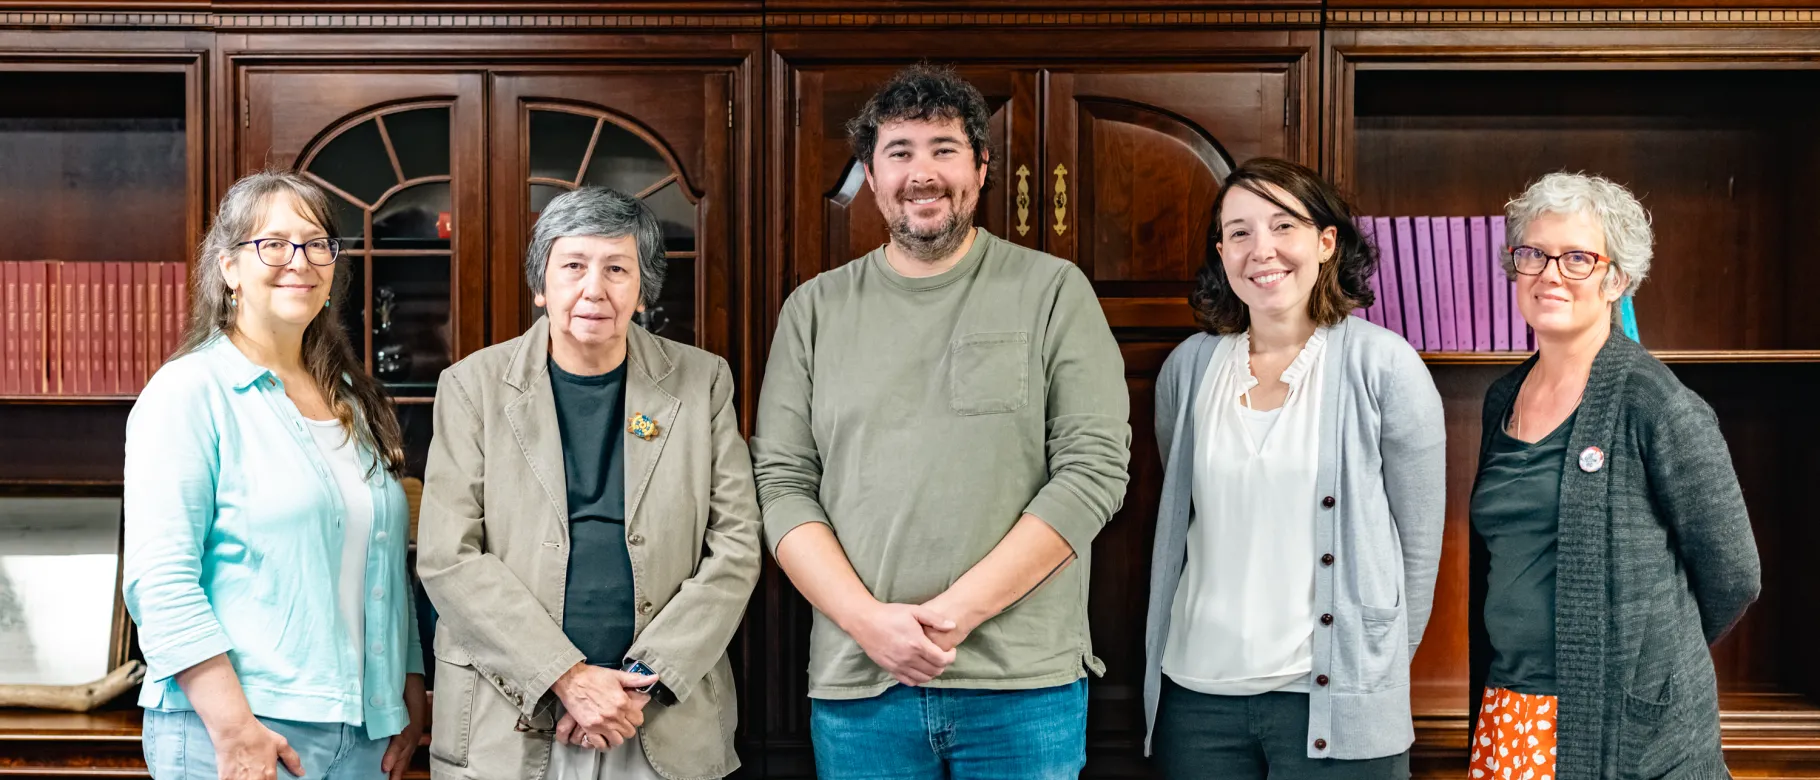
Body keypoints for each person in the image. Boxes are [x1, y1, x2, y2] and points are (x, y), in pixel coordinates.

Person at [751, 62, 1132, 779]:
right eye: (899, 152)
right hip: (860, 686)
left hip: (1024, 687)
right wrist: (870, 624)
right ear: (869, 173)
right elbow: (781, 485)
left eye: (944, 149)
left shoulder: (1053, 292)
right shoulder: (814, 310)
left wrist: (956, 612)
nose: (921, 173)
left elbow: (1093, 473)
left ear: (982, 167)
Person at [416, 186, 761, 780]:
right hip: (512, 718)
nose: (593, 289)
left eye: (617, 269)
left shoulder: (702, 382)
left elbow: (735, 547)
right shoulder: (471, 386)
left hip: (659, 718)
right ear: (541, 284)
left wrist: (639, 683)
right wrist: (566, 678)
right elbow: (450, 558)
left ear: (643, 289)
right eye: (573, 265)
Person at [1143, 157, 1446, 778]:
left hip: (1331, 704)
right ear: (1221, 251)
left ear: (1326, 242)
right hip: (1197, 702)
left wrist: (1372, 678)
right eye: (1240, 232)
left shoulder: (1384, 366)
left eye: (1284, 226)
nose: (1263, 250)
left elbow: (1419, 551)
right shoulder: (1187, 370)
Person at [123, 170, 427, 780]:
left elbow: (385, 564)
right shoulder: (188, 393)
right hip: (242, 730)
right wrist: (234, 729)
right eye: (273, 244)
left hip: (367, 732)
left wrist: (410, 689)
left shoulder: (352, 399)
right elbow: (160, 583)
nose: (300, 261)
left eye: (317, 244)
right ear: (229, 267)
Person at [1467, 172, 1761, 779]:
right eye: (1532, 255)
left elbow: (1735, 575)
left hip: (1627, 733)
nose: (1549, 274)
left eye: (1577, 258)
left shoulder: (1657, 403)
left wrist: (1648, 663)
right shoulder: (1503, 398)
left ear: (1615, 279)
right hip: (1509, 711)